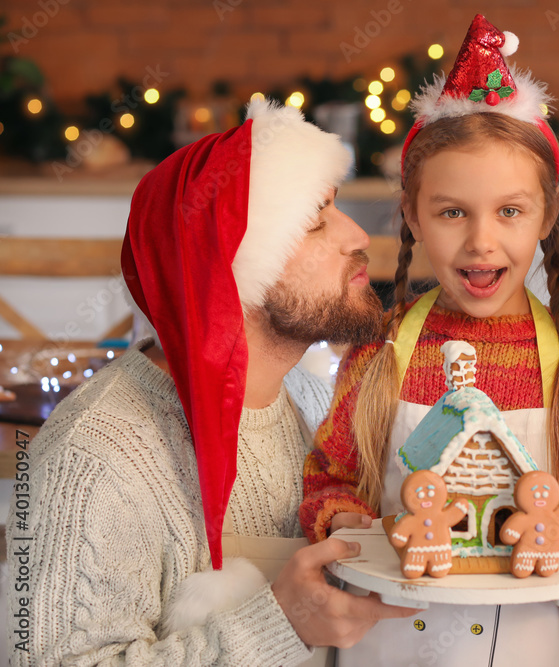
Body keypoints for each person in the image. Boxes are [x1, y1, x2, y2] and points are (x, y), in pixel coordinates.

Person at [7, 99, 417, 666]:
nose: (357, 237)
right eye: (315, 219)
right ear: (230, 265)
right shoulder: (99, 456)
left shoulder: (316, 403)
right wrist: (280, 624)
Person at [298, 15, 559, 667]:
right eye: (452, 211)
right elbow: (328, 481)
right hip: (389, 642)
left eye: (509, 211)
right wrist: (343, 519)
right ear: (412, 215)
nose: (481, 240)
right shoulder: (377, 355)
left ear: (545, 215)